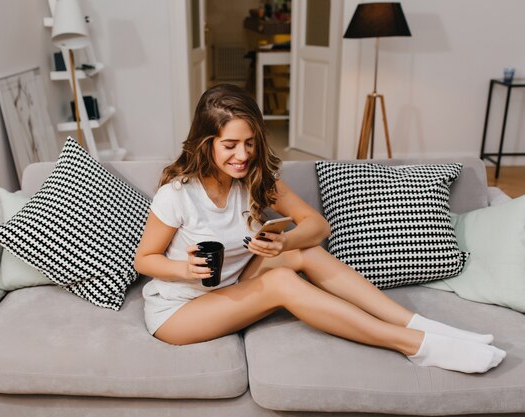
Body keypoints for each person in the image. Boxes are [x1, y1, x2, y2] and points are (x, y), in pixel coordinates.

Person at [134, 83, 505, 374]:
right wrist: (184, 269)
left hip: (233, 286)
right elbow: (144, 260)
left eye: (249, 143)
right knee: (281, 283)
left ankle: (421, 324)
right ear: (206, 143)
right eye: (230, 145)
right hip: (180, 312)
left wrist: (284, 244)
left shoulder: (253, 178)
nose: (243, 155)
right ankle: (414, 344)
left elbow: (317, 225)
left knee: (305, 251)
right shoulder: (177, 194)